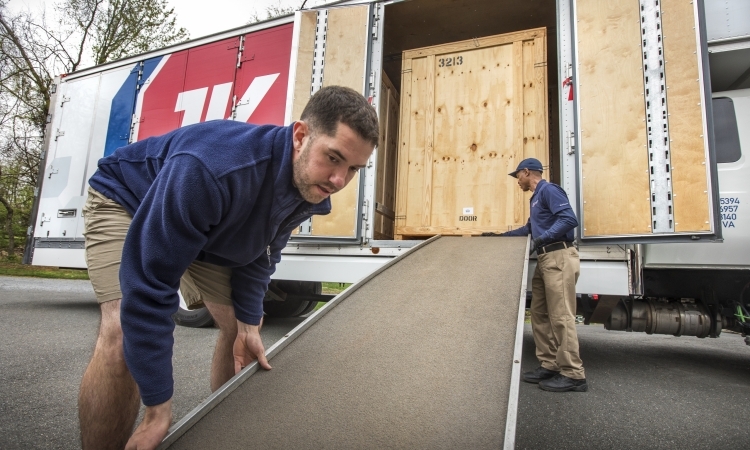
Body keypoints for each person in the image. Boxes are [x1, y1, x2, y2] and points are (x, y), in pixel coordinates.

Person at [78, 85, 379, 449]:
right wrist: (158, 408)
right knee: (122, 335)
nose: (339, 181)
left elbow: (262, 252)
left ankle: (225, 438)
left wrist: (250, 320)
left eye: (353, 169)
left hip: (204, 222)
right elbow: (150, 284)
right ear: (300, 136)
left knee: (242, 329)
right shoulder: (213, 168)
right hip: (128, 198)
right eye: (333, 158)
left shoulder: (308, 187)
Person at [484, 158, 587, 392]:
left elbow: (569, 219)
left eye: (517, 176)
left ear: (527, 172)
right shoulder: (535, 198)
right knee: (539, 313)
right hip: (544, 260)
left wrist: (543, 239)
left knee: (561, 316)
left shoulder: (549, 190)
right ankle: (550, 364)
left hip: (559, 256)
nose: (517, 181)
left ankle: (573, 374)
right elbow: (529, 229)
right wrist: (500, 237)